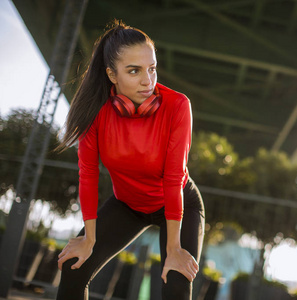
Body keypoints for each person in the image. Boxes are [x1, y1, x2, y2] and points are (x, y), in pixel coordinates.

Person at [55, 20, 205, 300]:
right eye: (134, 71)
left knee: (176, 281)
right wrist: (88, 238)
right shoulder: (95, 112)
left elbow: (173, 178)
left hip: (177, 202)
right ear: (112, 75)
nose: (148, 81)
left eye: (152, 68)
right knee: (74, 266)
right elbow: (87, 174)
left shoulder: (177, 106)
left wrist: (174, 249)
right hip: (126, 204)